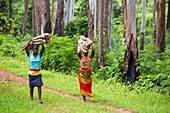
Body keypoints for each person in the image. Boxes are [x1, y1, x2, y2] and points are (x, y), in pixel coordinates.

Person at [25, 39, 45, 104]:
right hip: (31, 73)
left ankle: (39, 99)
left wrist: (41, 42)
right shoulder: (30, 55)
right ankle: (31, 98)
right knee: (32, 87)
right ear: (33, 49)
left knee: (39, 86)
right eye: (35, 49)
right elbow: (26, 47)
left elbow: (43, 48)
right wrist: (30, 41)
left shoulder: (39, 55)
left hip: (38, 73)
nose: (36, 50)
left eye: (37, 49)